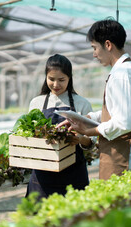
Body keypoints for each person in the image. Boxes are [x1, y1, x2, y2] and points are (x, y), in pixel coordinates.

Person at [58, 19, 131, 180]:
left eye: (95, 48)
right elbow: (119, 111)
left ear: (108, 45)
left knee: (116, 202)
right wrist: (84, 119)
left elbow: (123, 121)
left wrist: (88, 131)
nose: (94, 54)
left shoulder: (120, 75)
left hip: (120, 150)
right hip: (127, 146)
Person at [26, 54, 93, 200]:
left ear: (70, 78)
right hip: (42, 175)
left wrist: (80, 139)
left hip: (73, 174)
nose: (56, 85)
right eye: (51, 79)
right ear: (45, 77)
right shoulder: (36, 103)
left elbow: (91, 142)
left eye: (61, 80)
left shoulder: (82, 104)